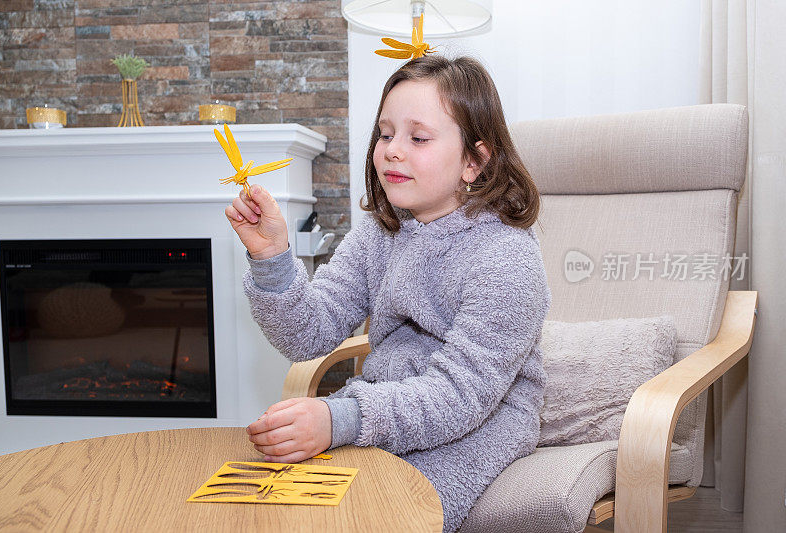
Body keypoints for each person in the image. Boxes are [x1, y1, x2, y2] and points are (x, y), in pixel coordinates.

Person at [225, 55, 551, 533]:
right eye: (384, 133)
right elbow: (307, 335)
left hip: (478, 421)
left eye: (418, 138)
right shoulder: (381, 232)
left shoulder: (508, 260)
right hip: (384, 407)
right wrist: (272, 257)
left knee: (384, 514)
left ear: (474, 161)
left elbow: (457, 397)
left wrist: (338, 418)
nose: (392, 151)